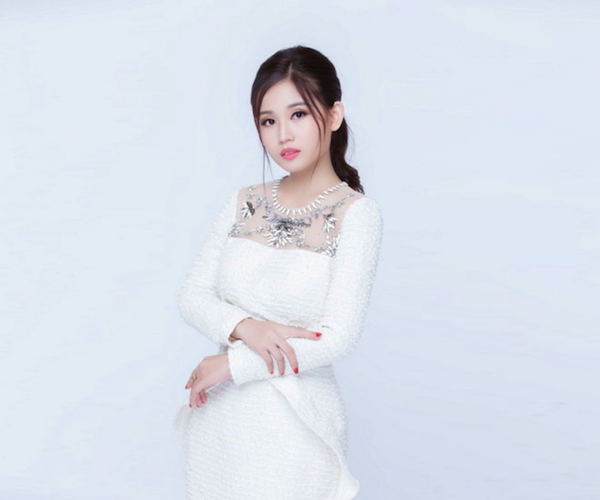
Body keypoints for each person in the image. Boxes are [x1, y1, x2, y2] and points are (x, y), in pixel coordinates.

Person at [173, 45, 384, 500]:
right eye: (268, 121)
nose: (283, 134)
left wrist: (232, 363)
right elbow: (192, 295)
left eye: (298, 114)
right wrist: (246, 327)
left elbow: (337, 338)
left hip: (296, 424)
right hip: (222, 421)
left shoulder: (356, 215)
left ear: (333, 115)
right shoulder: (244, 201)